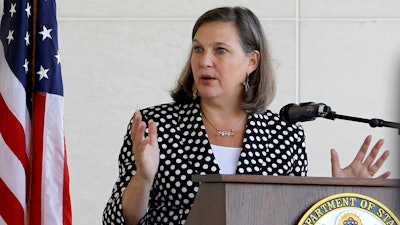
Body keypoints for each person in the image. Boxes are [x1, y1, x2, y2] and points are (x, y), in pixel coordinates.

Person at [102, 6, 391, 225]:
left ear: (251, 62)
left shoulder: (284, 133)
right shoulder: (155, 126)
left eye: (221, 50)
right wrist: (144, 177)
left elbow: (293, 218)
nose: (204, 61)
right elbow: (119, 219)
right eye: (198, 49)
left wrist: (338, 197)